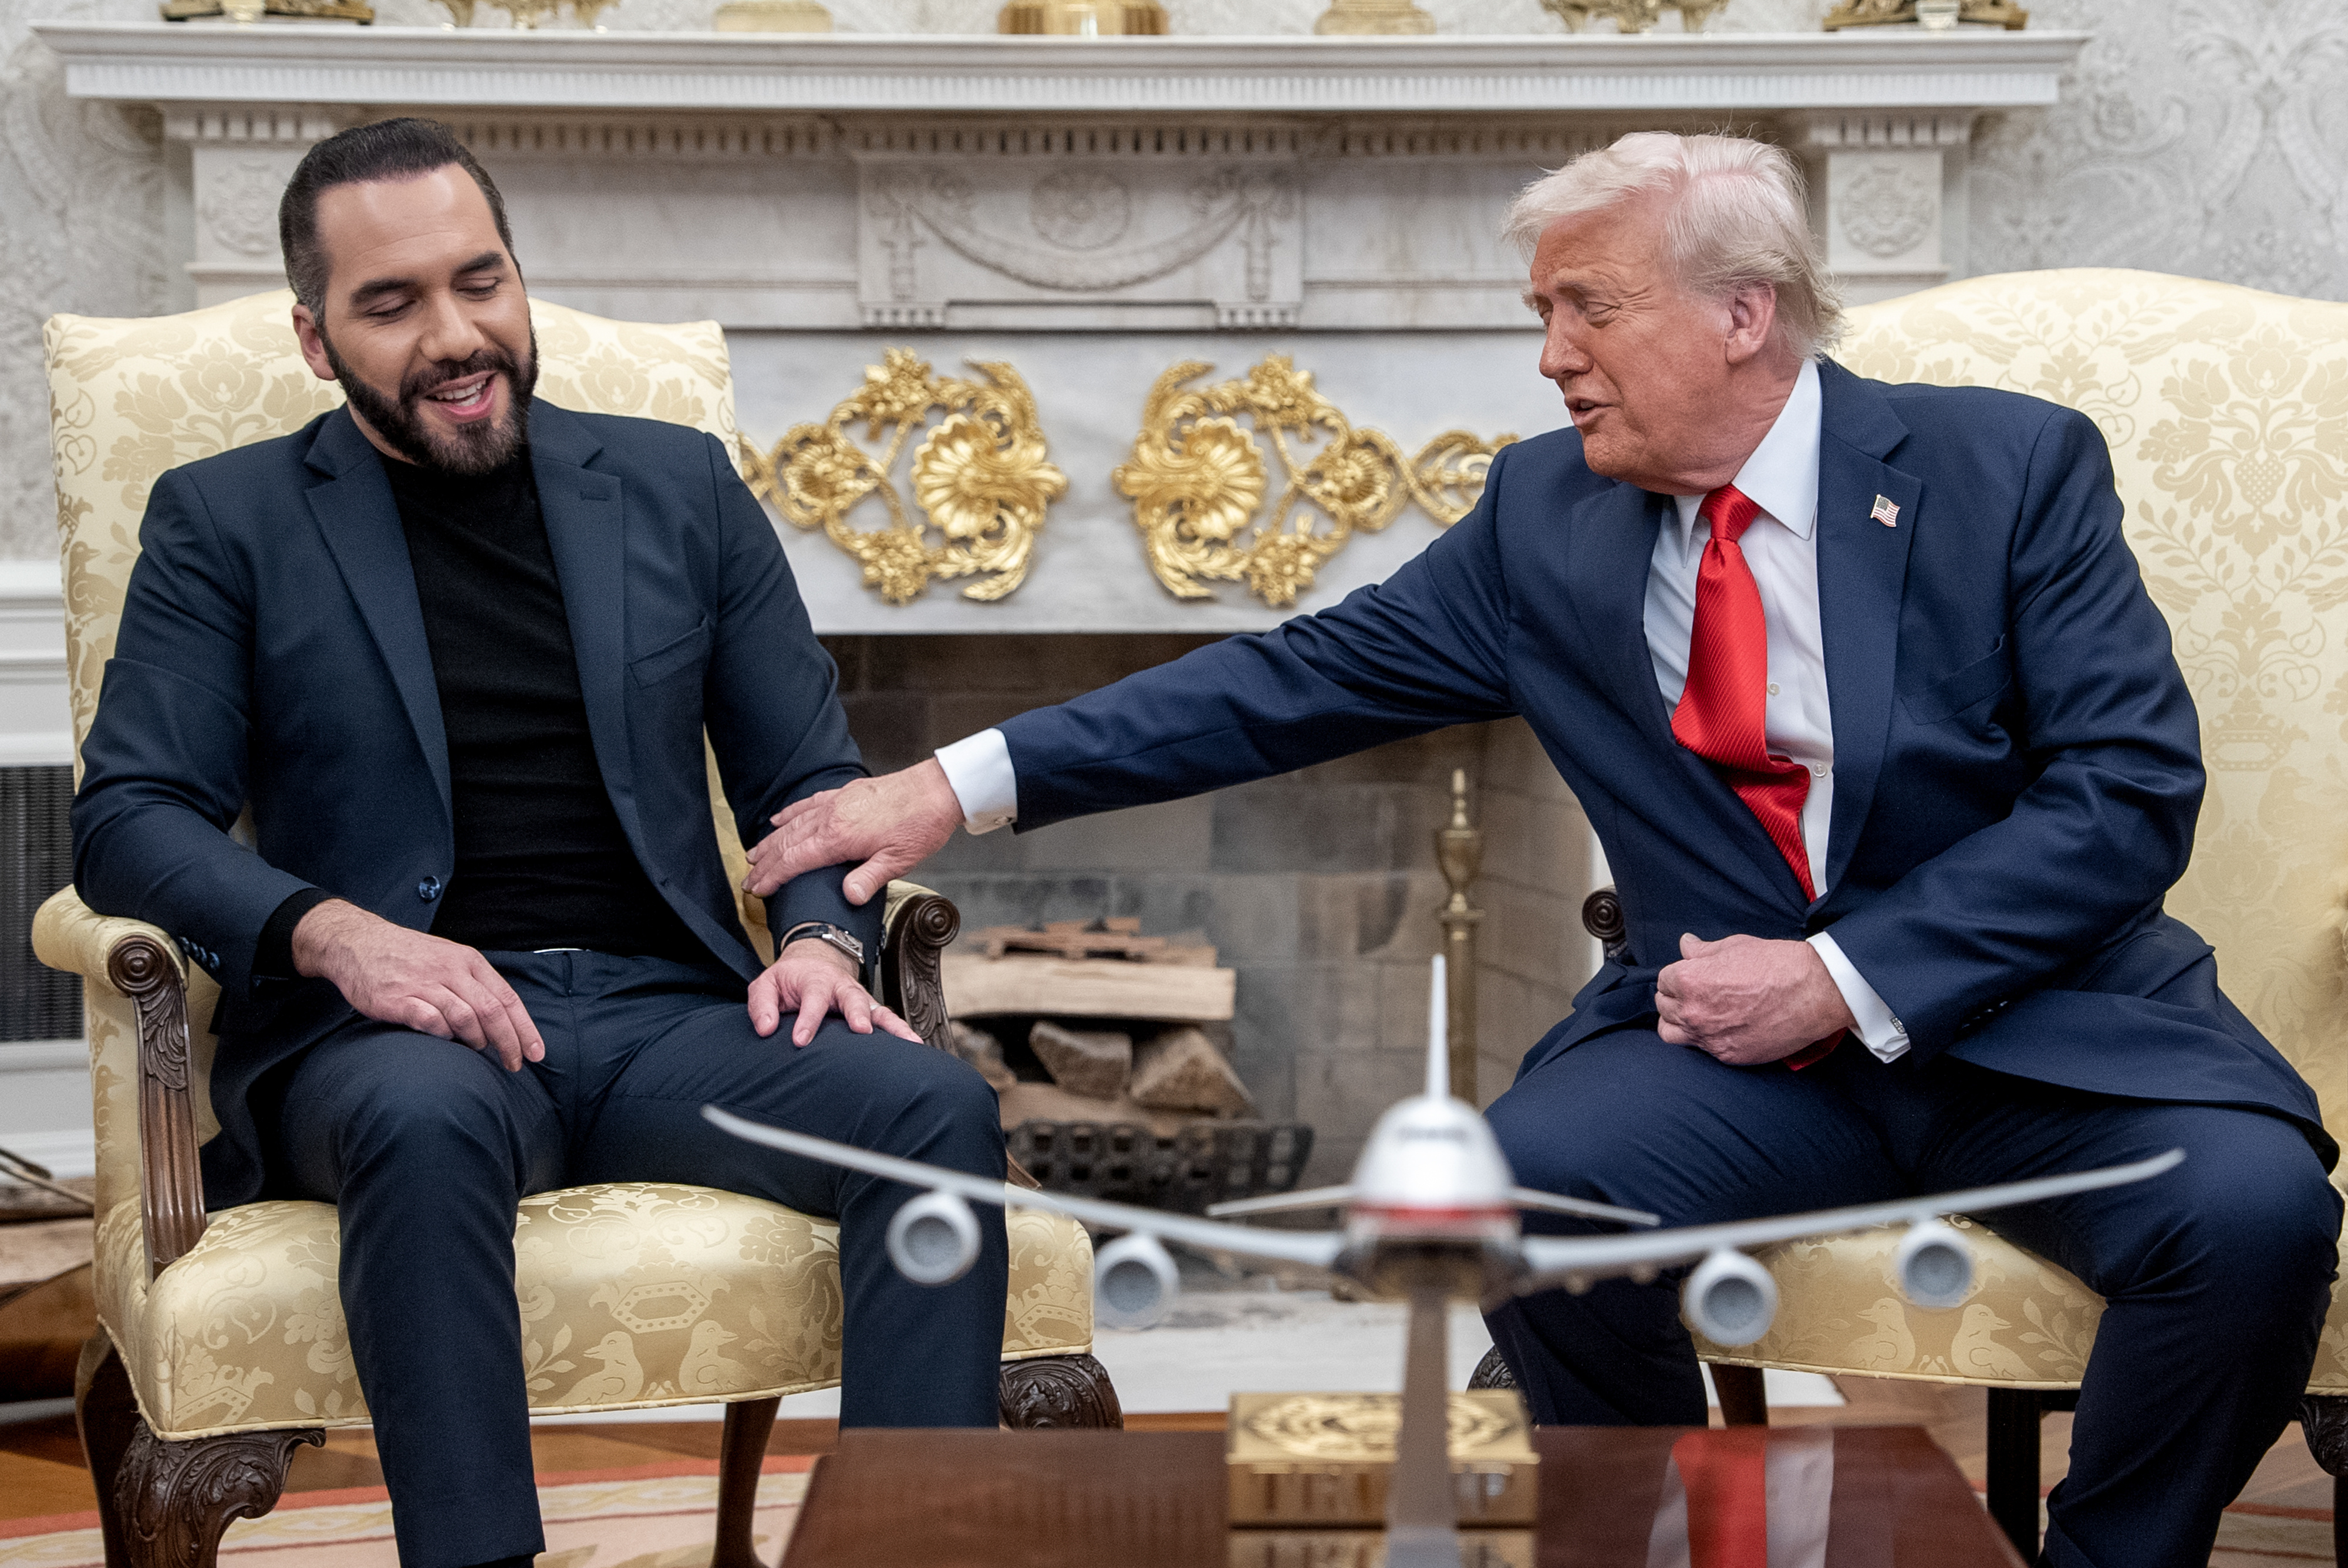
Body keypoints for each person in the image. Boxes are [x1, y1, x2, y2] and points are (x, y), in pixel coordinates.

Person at [744, 131, 2339, 1566]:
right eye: (1542, 312)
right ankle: (1655, 1536)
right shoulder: (1544, 518)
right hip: (1724, 1058)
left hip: (2032, 1028)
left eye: (1589, 309)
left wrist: (1842, 977)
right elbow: (1285, 684)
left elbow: (2126, 791)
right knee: (1512, 1194)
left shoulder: (2007, 470)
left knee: (2254, 1218)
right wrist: (946, 787)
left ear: (1743, 313)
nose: (1551, 355)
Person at [71, 117, 1008, 1568]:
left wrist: (824, 937)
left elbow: (807, 780)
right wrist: (338, 935)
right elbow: (128, 814)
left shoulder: (681, 486)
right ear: (316, 339)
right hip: (389, 1038)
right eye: (392, 304)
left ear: (517, 278)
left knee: (930, 1109)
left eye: (479, 281)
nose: (455, 336)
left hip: (666, 1021)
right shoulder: (226, 521)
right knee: (423, 1119)